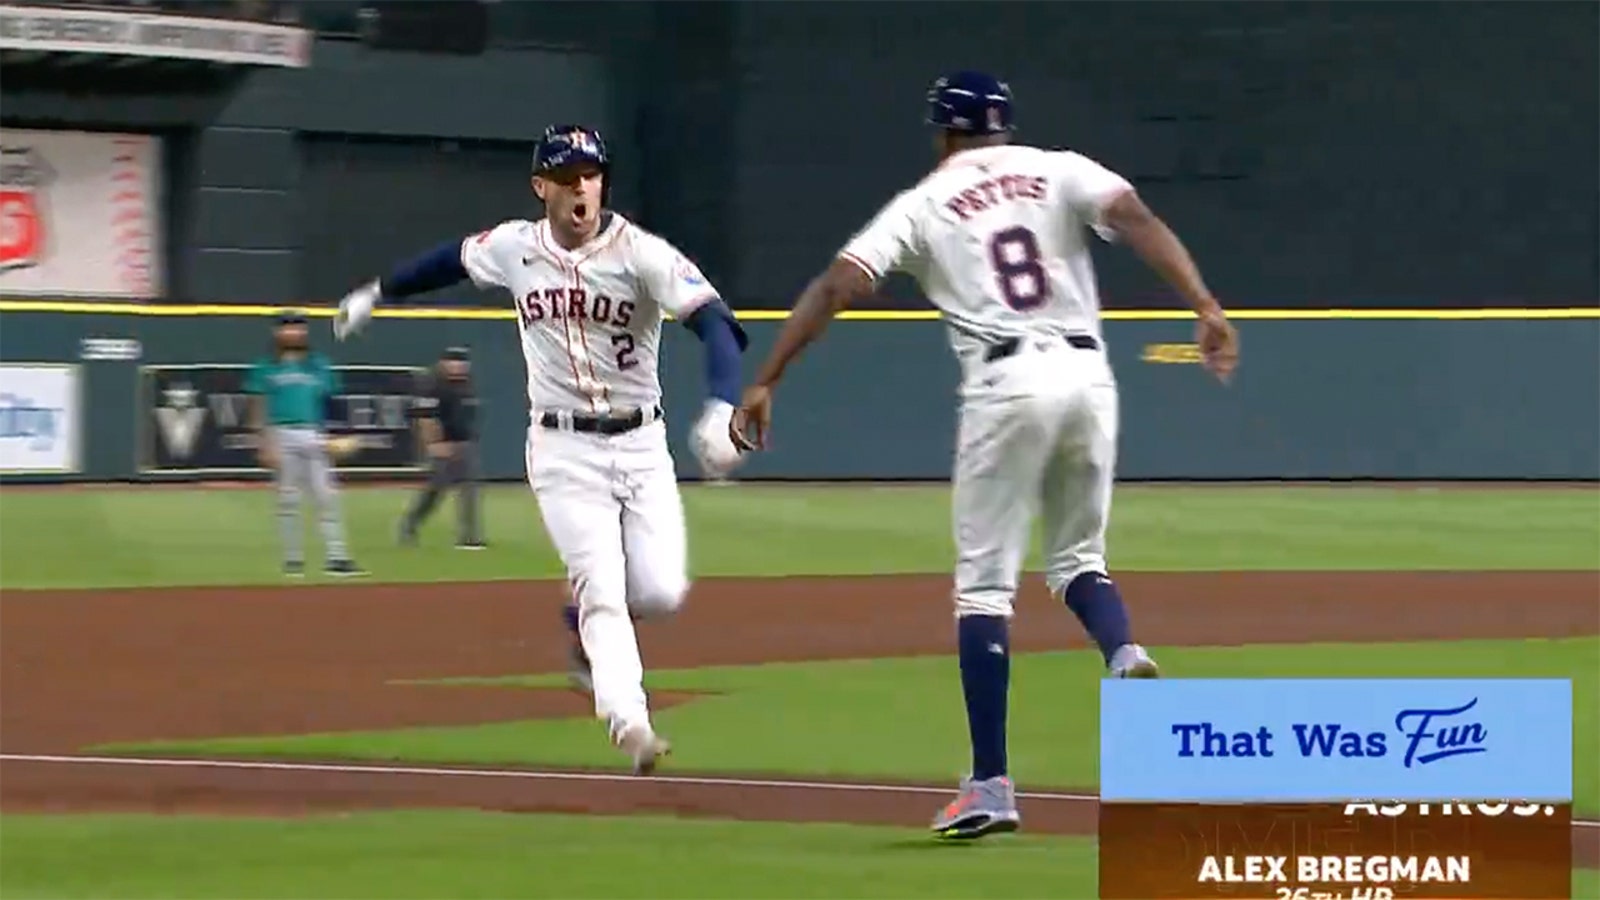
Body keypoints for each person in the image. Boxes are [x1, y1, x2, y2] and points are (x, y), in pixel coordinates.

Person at [730, 71, 1239, 839]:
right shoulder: (1058, 166)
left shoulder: (924, 202)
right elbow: (1134, 214)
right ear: (1003, 128)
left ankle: (991, 783)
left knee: (983, 590)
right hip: (1088, 376)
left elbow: (838, 284)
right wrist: (1203, 303)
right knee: (1076, 561)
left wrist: (767, 378)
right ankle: (1123, 647)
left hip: (1007, 383)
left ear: (943, 134)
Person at [331, 124, 748, 774]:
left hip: (641, 443)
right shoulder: (514, 247)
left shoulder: (641, 253)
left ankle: (577, 620)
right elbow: (448, 261)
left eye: (591, 173)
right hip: (561, 451)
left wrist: (722, 408)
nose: (581, 186)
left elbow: (716, 324)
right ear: (541, 188)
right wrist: (377, 293)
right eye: (566, 175)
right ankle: (630, 723)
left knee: (662, 592)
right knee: (604, 590)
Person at [246, 310, 366, 579]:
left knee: (327, 496)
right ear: (277, 333)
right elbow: (257, 404)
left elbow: (331, 402)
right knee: (288, 499)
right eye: (288, 328)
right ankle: (293, 559)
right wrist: (263, 442)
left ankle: (337, 557)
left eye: (299, 328)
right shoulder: (266, 365)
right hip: (281, 432)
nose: (294, 333)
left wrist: (340, 435)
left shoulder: (319, 364)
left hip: (313, 433)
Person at [399, 345, 484, 549]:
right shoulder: (432, 385)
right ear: (444, 363)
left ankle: (469, 537)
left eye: (462, 362)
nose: (458, 366)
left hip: (464, 444)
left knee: (469, 490)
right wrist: (434, 444)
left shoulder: (465, 385)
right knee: (435, 491)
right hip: (443, 445)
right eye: (454, 362)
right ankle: (409, 523)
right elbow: (425, 418)